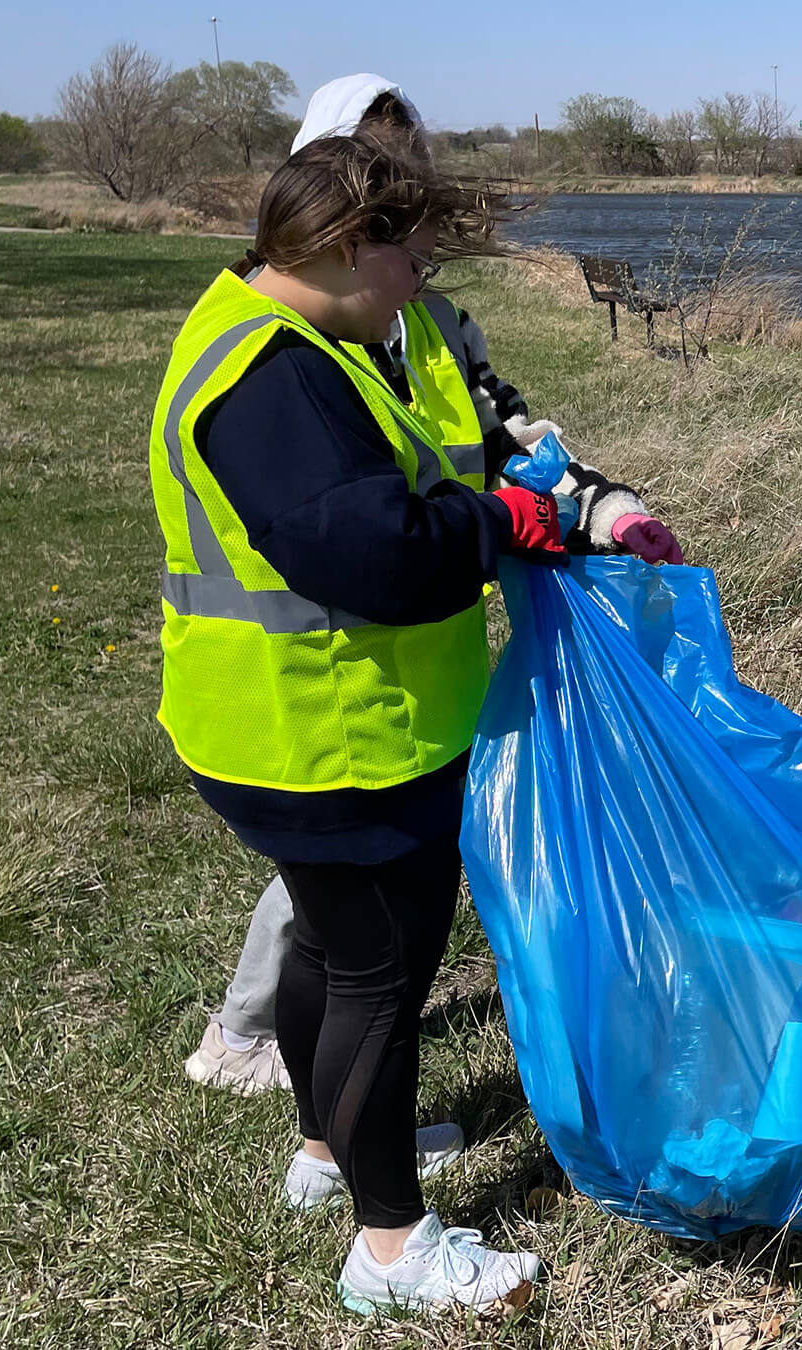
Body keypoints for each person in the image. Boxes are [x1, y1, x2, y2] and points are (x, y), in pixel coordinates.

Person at [183, 75, 679, 1097]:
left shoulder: (437, 329)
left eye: (416, 190)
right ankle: (343, 1170)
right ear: (324, 205)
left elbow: (516, 452)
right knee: (354, 940)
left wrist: (602, 509)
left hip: (402, 699)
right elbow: (367, 541)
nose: (413, 228)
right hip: (317, 712)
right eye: (384, 195)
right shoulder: (284, 356)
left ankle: (318, 1127)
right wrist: (501, 524)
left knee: (340, 929)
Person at [152, 134, 567, 1313]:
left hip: (273, 731)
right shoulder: (272, 381)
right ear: (349, 244)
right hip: (333, 740)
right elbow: (367, 549)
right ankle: (394, 1250)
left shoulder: (264, 330)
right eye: (416, 257)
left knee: (330, 953)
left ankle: (324, 1153)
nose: (423, 282)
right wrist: (500, 530)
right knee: (379, 978)